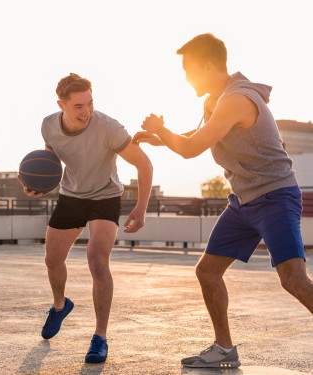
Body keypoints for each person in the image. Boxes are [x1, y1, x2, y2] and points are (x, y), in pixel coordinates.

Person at [133, 33, 313, 368]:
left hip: (274, 196)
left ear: (208, 66)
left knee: (293, 280)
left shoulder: (236, 100)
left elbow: (189, 150)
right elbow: (196, 136)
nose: (186, 79)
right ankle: (224, 348)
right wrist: (162, 137)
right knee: (207, 271)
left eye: (189, 70)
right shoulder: (217, 100)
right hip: (244, 201)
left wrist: (163, 129)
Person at [22, 73, 153, 364]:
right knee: (52, 260)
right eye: (79, 106)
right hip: (71, 195)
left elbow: (144, 164)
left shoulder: (108, 128)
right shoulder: (48, 125)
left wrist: (141, 208)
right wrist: (38, 184)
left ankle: (100, 337)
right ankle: (59, 305)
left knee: (97, 259)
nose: (87, 111)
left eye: (90, 103)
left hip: (105, 196)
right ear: (62, 105)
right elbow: (50, 161)